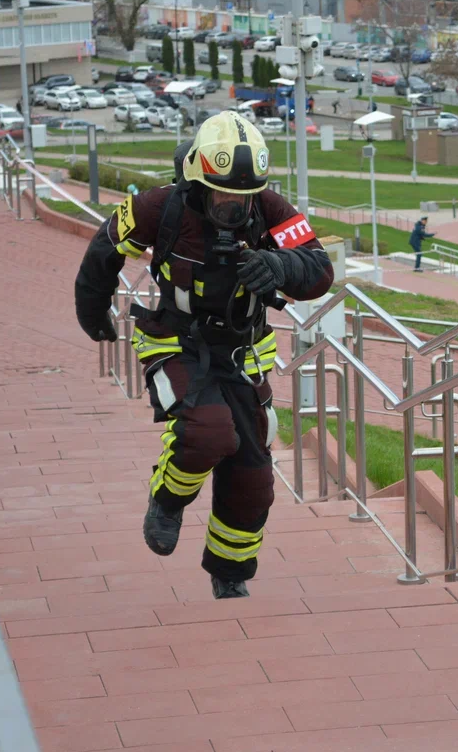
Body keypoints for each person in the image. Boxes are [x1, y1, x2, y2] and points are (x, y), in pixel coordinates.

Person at [73, 112, 334, 599]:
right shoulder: (159, 208)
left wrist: (278, 264)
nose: (234, 208)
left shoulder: (270, 207)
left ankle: (230, 572)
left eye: (244, 199)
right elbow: (104, 249)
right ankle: (168, 499)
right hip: (176, 339)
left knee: (254, 475)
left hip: (244, 351)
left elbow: (319, 270)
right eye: (223, 198)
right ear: (196, 180)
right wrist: (93, 313)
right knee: (207, 431)